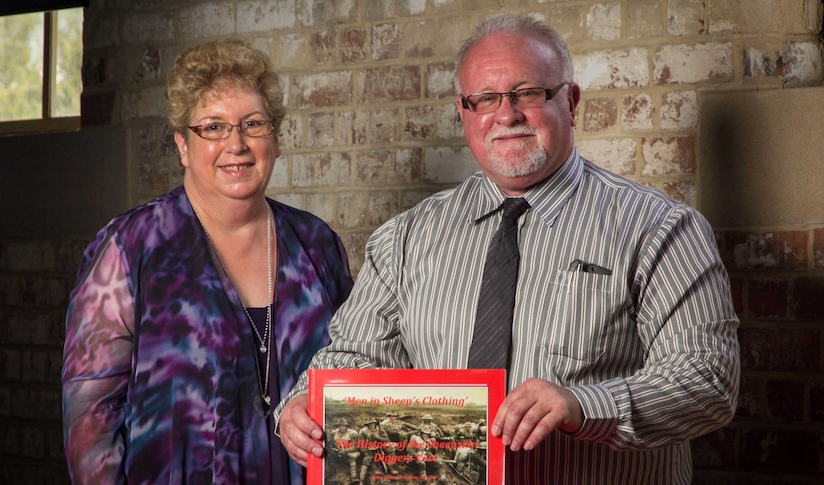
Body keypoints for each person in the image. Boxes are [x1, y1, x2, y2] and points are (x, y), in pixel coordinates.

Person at [276, 13, 739, 484]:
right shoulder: (405, 238)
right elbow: (353, 357)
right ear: (464, 112)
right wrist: (301, 406)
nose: (506, 114)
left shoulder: (659, 227)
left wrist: (582, 405)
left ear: (572, 102)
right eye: (485, 99)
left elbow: (708, 380)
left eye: (528, 93)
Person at [61, 38, 353, 484]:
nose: (236, 143)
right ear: (182, 145)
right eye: (213, 127)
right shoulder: (129, 248)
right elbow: (90, 426)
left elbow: (355, 372)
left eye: (253, 124)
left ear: (275, 139)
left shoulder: (318, 245)